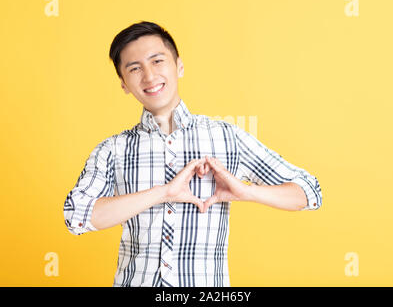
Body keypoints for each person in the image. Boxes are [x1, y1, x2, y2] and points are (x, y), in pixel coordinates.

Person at [63, 21, 322, 287]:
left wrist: (247, 191)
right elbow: (76, 215)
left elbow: (308, 192)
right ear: (124, 83)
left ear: (179, 66)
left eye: (157, 61)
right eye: (135, 68)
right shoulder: (113, 149)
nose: (149, 76)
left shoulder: (226, 136)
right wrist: (163, 192)